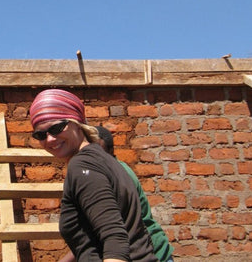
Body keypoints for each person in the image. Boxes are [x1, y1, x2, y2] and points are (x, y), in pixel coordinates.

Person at [29, 89, 157, 262]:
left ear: (77, 122)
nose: (50, 139)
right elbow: (95, 236)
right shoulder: (105, 159)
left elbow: (114, 239)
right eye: (40, 134)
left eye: (57, 128)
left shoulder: (82, 165)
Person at [95, 126, 174, 262]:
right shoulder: (106, 172)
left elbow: (111, 229)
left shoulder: (116, 176)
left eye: (99, 154)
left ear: (111, 152)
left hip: (151, 253)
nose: (94, 158)